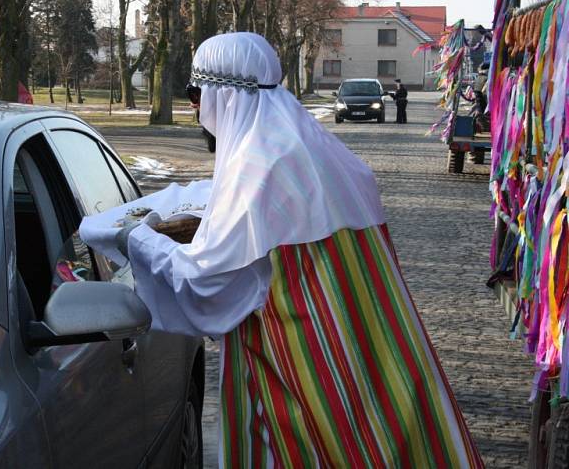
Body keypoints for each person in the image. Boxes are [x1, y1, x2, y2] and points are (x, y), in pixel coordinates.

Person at [115, 33, 482, 467]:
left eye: (197, 92)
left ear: (224, 92)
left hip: (301, 369)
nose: (195, 106)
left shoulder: (257, 166)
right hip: (373, 347)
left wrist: (142, 241)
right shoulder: (313, 146)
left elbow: (209, 284)